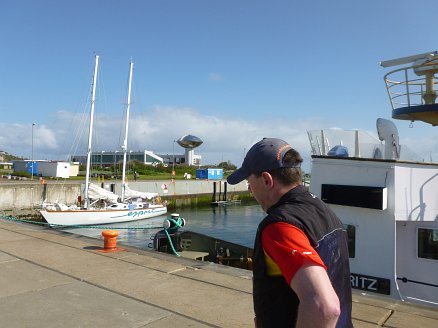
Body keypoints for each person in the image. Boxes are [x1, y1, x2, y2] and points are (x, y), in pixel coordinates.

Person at [227, 138, 352, 328]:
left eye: (249, 183)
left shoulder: (280, 226)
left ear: (267, 180)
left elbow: (324, 307)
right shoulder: (321, 209)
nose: (250, 190)